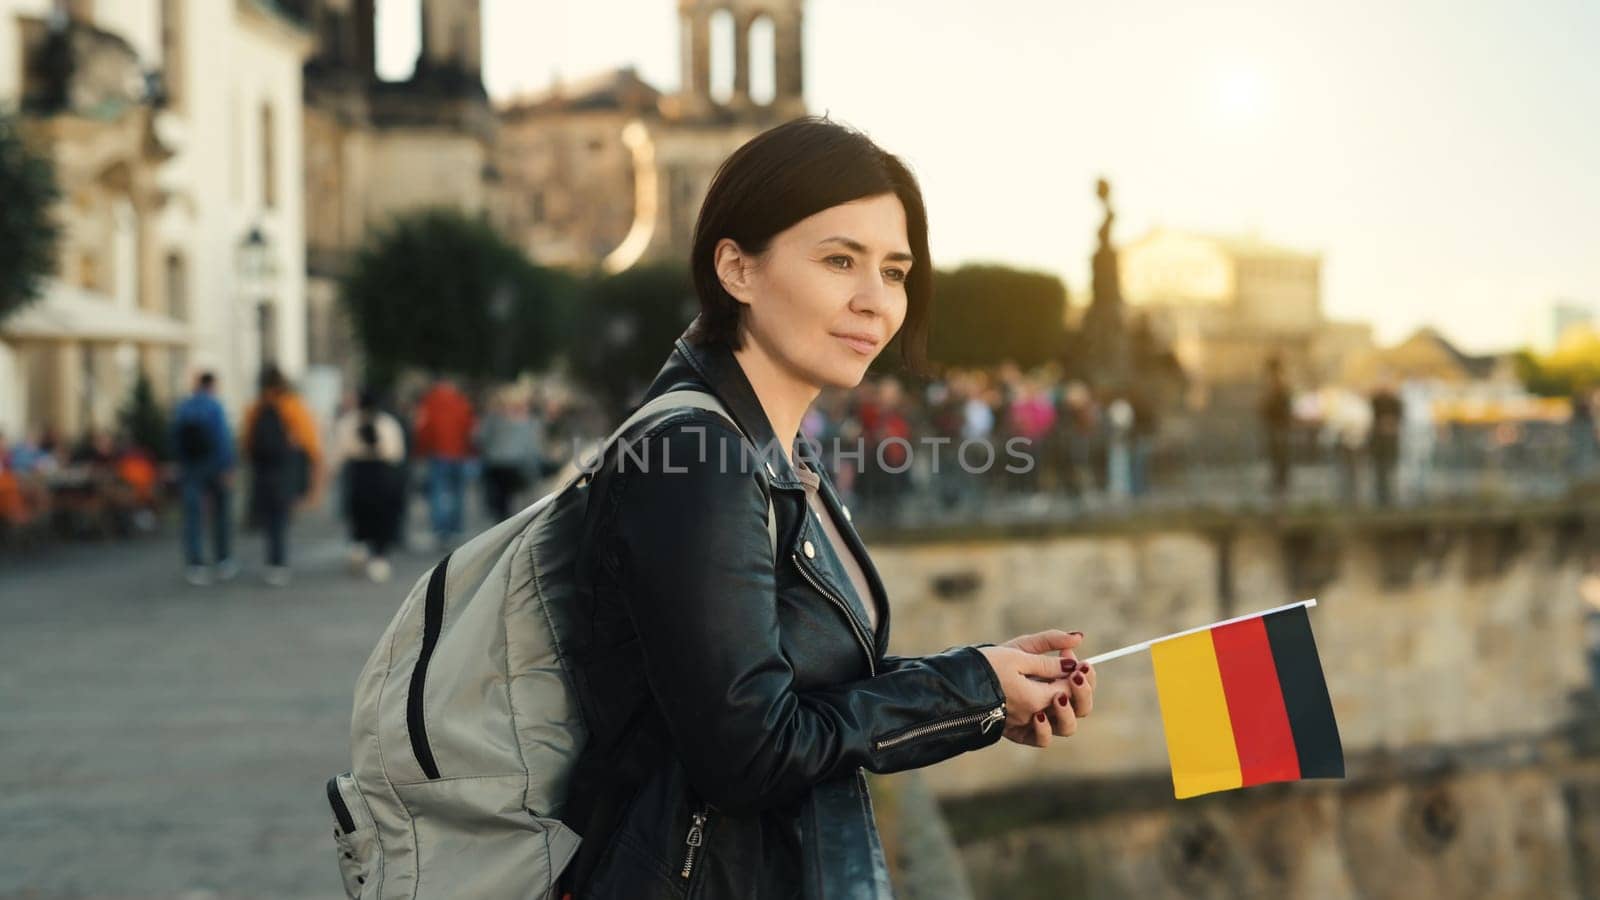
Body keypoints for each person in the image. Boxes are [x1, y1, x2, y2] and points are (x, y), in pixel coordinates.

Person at [559, 117, 1097, 900]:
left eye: (895, 270)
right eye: (840, 260)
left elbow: (789, 693)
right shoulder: (703, 460)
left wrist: (986, 689)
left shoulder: (763, 444)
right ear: (737, 269)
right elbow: (752, 753)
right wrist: (970, 687)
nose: (875, 302)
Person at [240, 365, 323, 586]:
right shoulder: (293, 406)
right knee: (281, 518)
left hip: (263, 472)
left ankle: (271, 561)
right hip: (285, 471)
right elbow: (311, 443)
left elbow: (246, 443)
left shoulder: (255, 408)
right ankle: (279, 562)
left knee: (269, 519)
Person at [332, 388, 406, 582]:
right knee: (381, 515)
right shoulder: (388, 423)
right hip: (382, 473)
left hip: (357, 472)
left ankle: (358, 547)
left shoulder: (348, 422)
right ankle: (379, 557)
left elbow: (339, 451)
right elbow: (396, 452)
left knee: (358, 512)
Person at [170, 371, 237, 585]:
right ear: (212, 385)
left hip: (190, 468)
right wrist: (227, 466)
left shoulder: (184, 407)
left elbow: (174, 439)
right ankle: (222, 560)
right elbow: (223, 438)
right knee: (220, 514)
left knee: (192, 516)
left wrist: (179, 463)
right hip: (215, 467)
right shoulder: (214, 407)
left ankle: (195, 563)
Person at [413, 375, 476, 546]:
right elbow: (470, 428)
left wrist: (421, 451)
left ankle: (441, 529)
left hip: (438, 453)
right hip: (459, 452)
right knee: (457, 492)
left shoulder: (429, 402)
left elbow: (423, 429)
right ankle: (455, 527)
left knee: (437, 492)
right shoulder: (461, 402)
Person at [474, 385, 545, 523]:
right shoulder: (529, 420)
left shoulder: (493, 418)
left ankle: (502, 523)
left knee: (500, 503)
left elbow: (480, 438)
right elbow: (533, 446)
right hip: (518, 464)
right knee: (516, 500)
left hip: (496, 463)